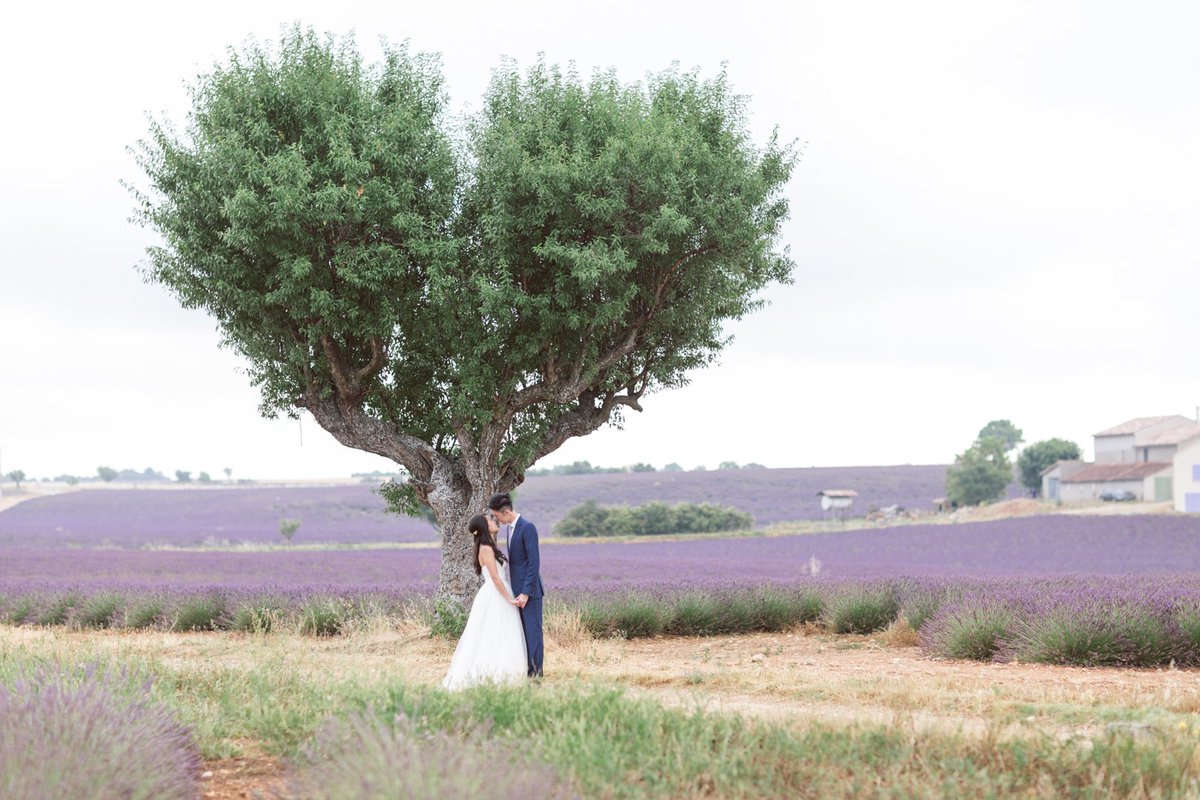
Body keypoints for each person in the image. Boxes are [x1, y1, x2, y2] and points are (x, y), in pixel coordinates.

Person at [441, 514, 528, 691]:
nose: (493, 521)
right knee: (497, 632)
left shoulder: (489, 546)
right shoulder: (486, 548)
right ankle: (494, 675)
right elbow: (495, 578)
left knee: (499, 632)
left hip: (499, 591)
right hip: (496, 594)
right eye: (489, 520)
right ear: (483, 527)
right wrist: (509, 598)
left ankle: (504, 673)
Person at [489, 491, 544, 677]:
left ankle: (536, 676)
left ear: (505, 512)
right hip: (517, 591)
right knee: (523, 634)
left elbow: (533, 563)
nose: (497, 520)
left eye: (496, 516)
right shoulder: (509, 528)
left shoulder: (528, 527)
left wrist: (526, 592)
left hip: (531, 592)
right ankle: (526, 671)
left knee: (533, 634)